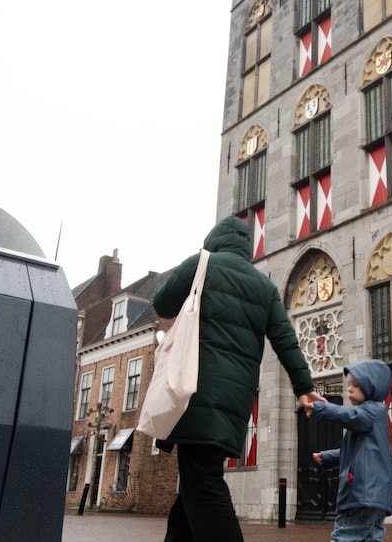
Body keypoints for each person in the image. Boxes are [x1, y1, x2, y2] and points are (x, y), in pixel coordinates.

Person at [154, 215, 324, 542]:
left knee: (203, 485)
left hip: (193, 399)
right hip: (233, 408)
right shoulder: (264, 287)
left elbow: (162, 304)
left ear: (213, 241)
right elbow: (285, 338)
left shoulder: (202, 264)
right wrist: (304, 387)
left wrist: (193, 272)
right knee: (193, 486)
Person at [308, 359, 392, 542]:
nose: (349, 389)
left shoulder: (372, 411)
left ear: (371, 386)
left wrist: (319, 408)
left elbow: (349, 416)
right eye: (348, 384)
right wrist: (327, 456)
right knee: (370, 538)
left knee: (344, 536)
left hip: (362, 493)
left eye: (356, 385)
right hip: (374, 496)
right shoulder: (372, 416)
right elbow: (353, 452)